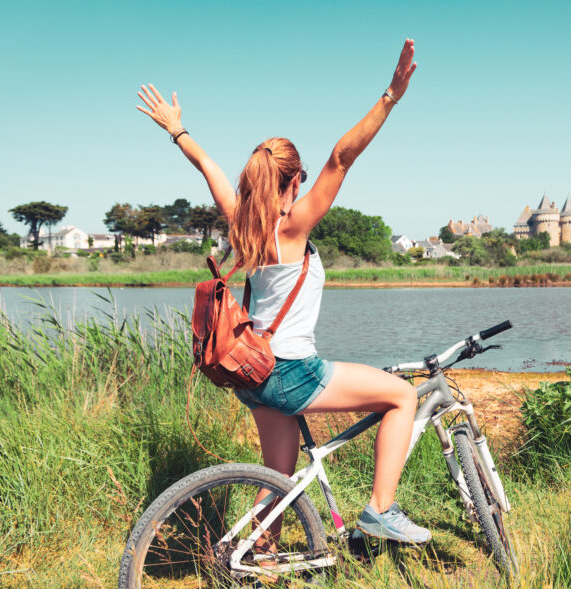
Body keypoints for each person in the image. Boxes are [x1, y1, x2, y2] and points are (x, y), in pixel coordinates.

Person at [136, 39, 430, 546]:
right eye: (304, 179)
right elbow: (342, 156)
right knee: (402, 396)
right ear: (294, 181)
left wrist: (176, 128)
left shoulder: (242, 224)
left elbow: (207, 165)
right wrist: (391, 96)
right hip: (291, 371)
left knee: (278, 483)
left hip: (253, 373)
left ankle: (255, 563)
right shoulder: (291, 228)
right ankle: (380, 510)